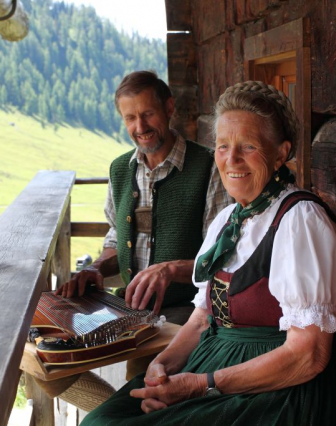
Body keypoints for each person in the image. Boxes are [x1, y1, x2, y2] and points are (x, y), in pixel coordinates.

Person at [80, 81, 336, 425]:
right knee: (102, 418)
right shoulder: (228, 220)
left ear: (281, 153)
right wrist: (163, 366)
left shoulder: (299, 221)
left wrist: (200, 386)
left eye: (248, 146)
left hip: (277, 390)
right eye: (223, 146)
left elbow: (308, 355)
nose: (231, 159)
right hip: (213, 368)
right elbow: (201, 318)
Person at [56, 70, 231, 327]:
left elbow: (220, 255)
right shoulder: (119, 170)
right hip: (129, 310)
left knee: (151, 367)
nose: (140, 127)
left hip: (191, 312)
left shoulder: (208, 166)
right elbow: (117, 235)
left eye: (148, 114)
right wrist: (97, 268)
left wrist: (169, 270)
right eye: (130, 118)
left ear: (169, 107)